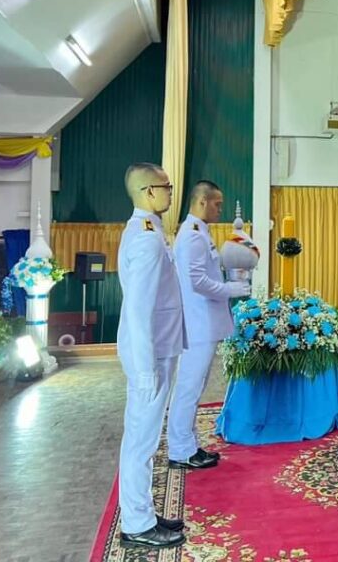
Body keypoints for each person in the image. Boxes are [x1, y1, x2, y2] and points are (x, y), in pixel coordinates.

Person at [116, 163, 187, 549]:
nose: (170, 192)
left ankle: (141, 513)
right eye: (166, 187)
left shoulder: (150, 230)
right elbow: (138, 309)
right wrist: (144, 369)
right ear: (148, 192)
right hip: (152, 353)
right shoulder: (146, 238)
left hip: (159, 347)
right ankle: (137, 524)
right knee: (142, 441)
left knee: (144, 438)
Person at [167, 180, 249, 470]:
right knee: (188, 388)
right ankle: (180, 450)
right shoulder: (193, 236)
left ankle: (188, 445)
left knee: (195, 386)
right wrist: (230, 289)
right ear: (202, 202)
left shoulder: (200, 231)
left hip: (204, 322)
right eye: (217, 204)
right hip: (198, 323)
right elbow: (197, 281)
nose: (219, 209)